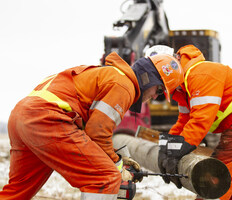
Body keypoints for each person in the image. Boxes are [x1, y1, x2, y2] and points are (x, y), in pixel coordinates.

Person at [0, 51, 183, 200]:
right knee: (104, 178)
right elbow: (97, 132)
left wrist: (117, 157)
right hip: (46, 119)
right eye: (159, 90)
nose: (156, 96)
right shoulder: (124, 85)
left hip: (21, 116)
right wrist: (116, 165)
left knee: (19, 190)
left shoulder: (109, 75)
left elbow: (90, 132)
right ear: (149, 78)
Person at [158, 44, 232, 200]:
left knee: (215, 181)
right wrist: (165, 148)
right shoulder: (184, 88)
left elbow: (200, 121)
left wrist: (174, 154)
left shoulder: (200, 75)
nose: (155, 94)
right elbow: (183, 123)